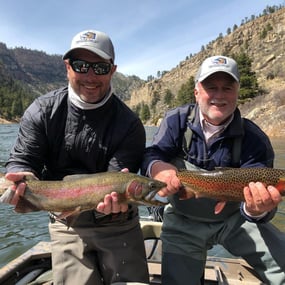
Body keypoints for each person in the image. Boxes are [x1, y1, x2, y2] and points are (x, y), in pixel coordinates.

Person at [5, 29, 150, 285]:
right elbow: (23, 159)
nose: (90, 76)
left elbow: (118, 179)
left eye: (100, 68)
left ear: (112, 70)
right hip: (65, 222)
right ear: (67, 67)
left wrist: (121, 198)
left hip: (119, 223)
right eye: (81, 66)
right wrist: (20, 176)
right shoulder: (41, 111)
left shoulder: (129, 124)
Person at [141, 55, 285, 285]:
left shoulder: (255, 139)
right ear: (197, 92)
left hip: (236, 219)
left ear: (237, 92)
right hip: (183, 219)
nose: (219, 95)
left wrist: (257, 209)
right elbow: (152, 154)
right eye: (211, 87)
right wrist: (160, 169)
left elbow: (259, 211)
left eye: (227, 88)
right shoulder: (176, 121)